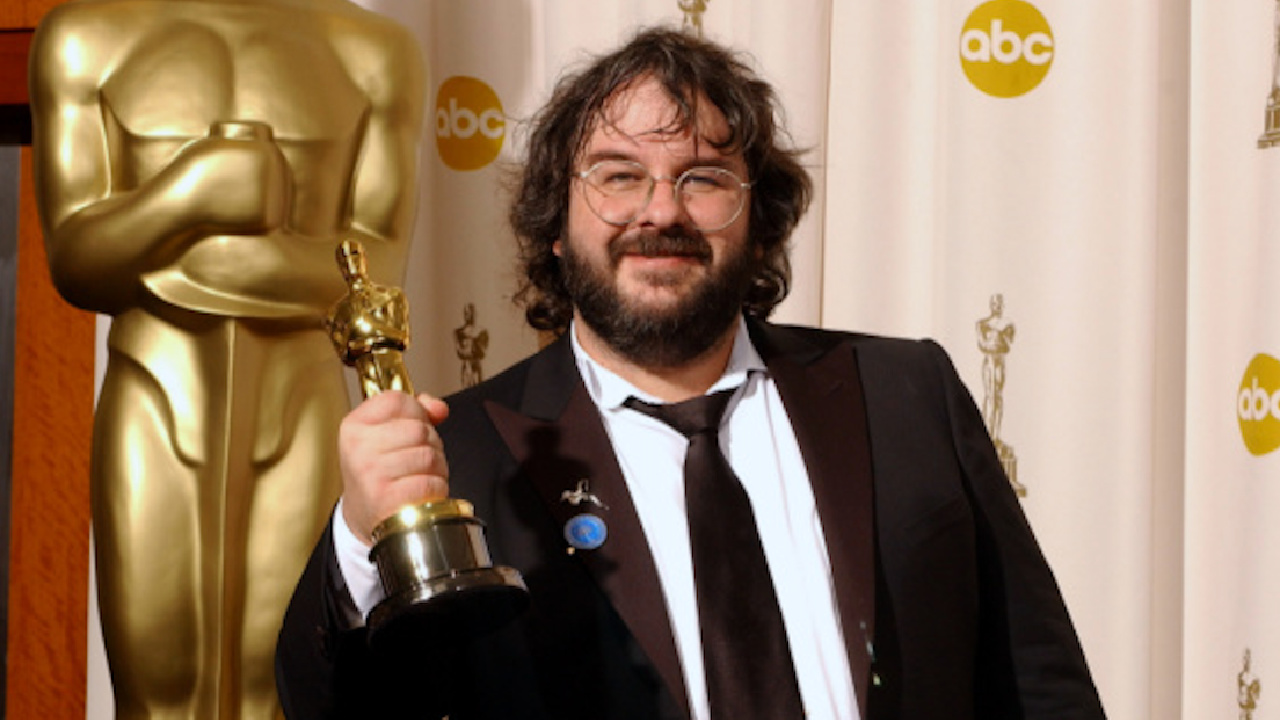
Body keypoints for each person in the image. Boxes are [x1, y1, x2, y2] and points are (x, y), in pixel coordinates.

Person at [276, 27, 1106, 720]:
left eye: (703, 178)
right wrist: (358, 541)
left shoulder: (906, 392)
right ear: (556, 227)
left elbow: (1041, 682)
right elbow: (328, 704)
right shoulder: (465, 455)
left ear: (759, 218)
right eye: (617, 175)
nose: (662, 210)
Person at [28, 1, 424, 717]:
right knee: (155, 691)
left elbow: (373, 282)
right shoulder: (85, 37)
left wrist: (171, 251)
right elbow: (77, 258)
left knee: (284, 688)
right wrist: (191, 194)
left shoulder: (375, 53)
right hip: (155, 391)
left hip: (300, 401)